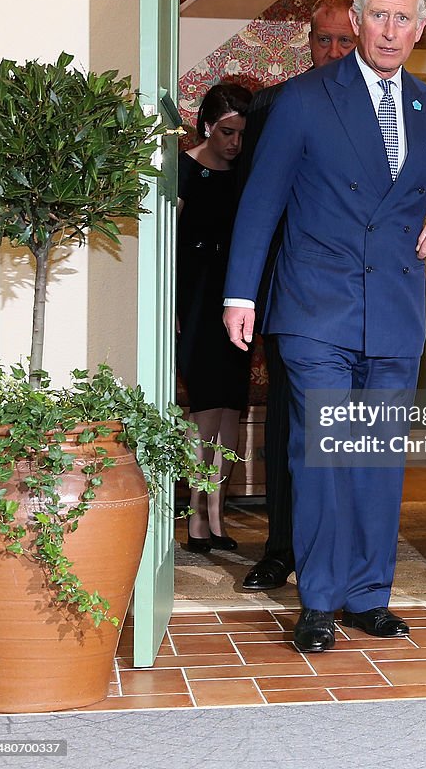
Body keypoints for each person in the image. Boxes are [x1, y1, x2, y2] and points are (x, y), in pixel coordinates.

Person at [223, 0, 426, 653]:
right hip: (314, 307)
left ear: (420, 29)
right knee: (324, 453)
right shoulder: (302, 99)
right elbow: (263, 200)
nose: (391, 30)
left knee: (377, 454)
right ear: (357, 23)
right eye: (379, 17)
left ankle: (369, 597)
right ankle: (320, 600)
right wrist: (240, 292)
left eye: (404, 19)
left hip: (392, 307)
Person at [240, 0, 357, 591]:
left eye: (344, 41)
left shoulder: (385, 107)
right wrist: (249, 294)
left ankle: (344, 562)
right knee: (291, 424)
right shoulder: (274, 104)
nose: (333, 51)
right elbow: (256, 202)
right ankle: (280, 549)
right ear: (307, 42)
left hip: (359, 296)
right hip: (291, 294)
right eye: (323, 40)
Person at [177, 80, 253, 552]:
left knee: (231, 410)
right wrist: (172, 306)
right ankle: (197, 518)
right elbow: (167, 240)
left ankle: (219, 515)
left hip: (236, 296)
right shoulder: (182, 168)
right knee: (204, 409)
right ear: (208, 125)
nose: (234, 143)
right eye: (227, 132)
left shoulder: (246, 173)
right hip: (195, 297)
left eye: (242, 134)